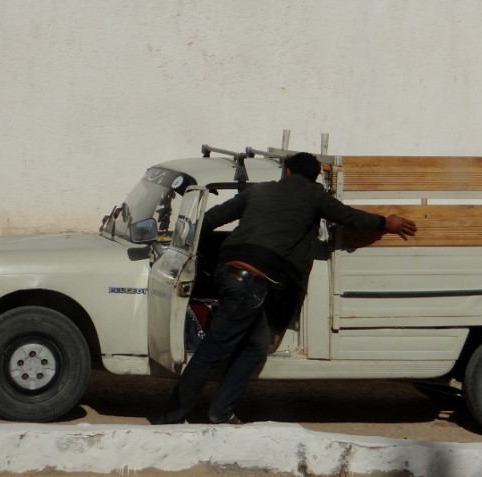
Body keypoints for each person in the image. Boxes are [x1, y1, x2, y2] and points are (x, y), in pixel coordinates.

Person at [155, 152, 417, 424]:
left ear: (287, 172)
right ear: (312, 177)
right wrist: (387, 222)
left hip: (227, 272)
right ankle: (171, 419)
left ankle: (220, 412)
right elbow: (351, 218)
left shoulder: (260, 190)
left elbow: (210, 220)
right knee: (212, 351)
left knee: (255, 346)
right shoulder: (316, 198)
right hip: (251, 285)